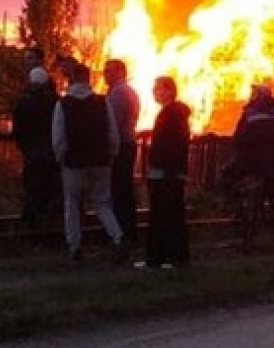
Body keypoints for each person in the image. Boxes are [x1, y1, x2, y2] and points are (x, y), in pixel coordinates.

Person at [51, 61, 127, 263]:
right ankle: (118, 238)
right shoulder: (102, 102)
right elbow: (112, 132)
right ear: (88, 79)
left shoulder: (63, 104)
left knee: (72, 204)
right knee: (102, 203)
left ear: (71, 79)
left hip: (74, 163)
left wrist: (61, 158)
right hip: (100, 162)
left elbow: (58, 137)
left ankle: (74, 247)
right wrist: (112, 154)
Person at [136, 75, 191, 269]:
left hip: (167, 174)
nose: (155, 92)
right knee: (170, 216)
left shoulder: (172, 114)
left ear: (170, 91)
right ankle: (173, 257)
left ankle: (160, 258)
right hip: (169, 173)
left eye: (159, 88)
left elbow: (173, 145)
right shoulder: (171, 113)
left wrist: (167, 170)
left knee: (163, 216)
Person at [221, 84, 274, 199]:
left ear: (257, 96)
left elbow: (239, 136)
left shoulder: (250, 114)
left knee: (227, 173)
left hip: (253, 161)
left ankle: (232, 202)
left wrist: (239, 149)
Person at [12, 66, 61, 226]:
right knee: (50, 185)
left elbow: (18, 129)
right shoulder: (55, 102)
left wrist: (24, 147)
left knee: (32, 186)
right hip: (50, 150)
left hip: (31, 151)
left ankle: (32, 219)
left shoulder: (23, 103)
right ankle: (49, 218)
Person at [105, 58, 141, 244]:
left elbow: (113, 122)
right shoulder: (128, 91)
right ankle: (128, 230)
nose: (106, 74)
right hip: (127, 143)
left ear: (121, 72)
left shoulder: (119, 93)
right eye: (106, 71)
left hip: (121, 145)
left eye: (110, 70)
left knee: (119, 189)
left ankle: (122, 232)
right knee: (124, 189)